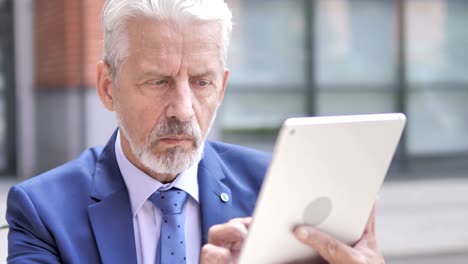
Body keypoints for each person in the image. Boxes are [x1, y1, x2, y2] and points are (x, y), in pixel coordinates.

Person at [6, 0, 384, 263]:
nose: (183, 109)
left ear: (221, 86)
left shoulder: (278, 190)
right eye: (158, 82)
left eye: (201, 83)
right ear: (108, 87)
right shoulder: (43, 212)